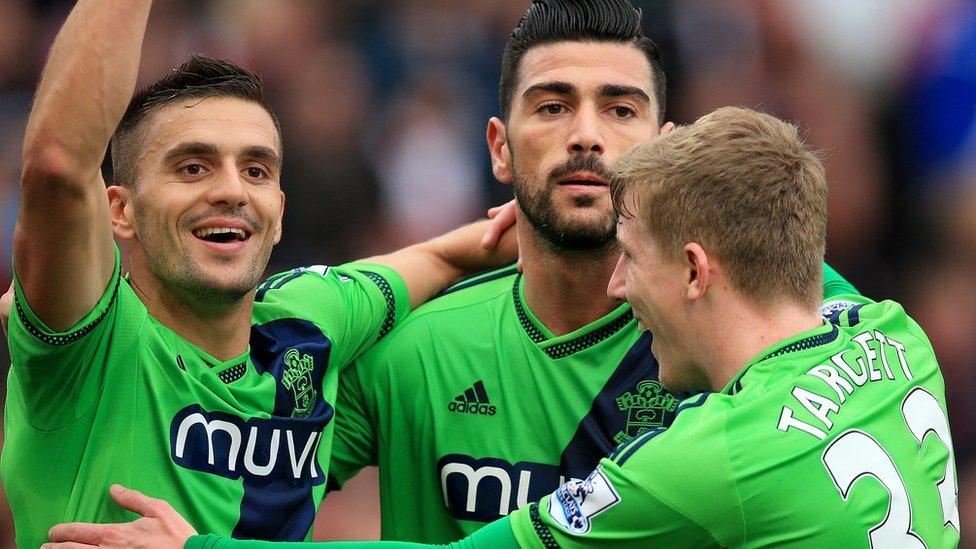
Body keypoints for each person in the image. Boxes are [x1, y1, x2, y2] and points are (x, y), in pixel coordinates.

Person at [50, 106, 960, 549]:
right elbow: (777, 230)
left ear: (694, 268)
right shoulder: (892, 336)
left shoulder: (711, 457)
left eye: (631, 255)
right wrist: (694, 169)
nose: (616, 282)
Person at [327, 0, 854, 542]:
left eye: (621, 110)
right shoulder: (412, 353)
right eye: (553, 107)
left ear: (667, 152)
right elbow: (246, 467)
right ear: (500, 148)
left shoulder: (732, 349)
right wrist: (434, 258)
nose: (585, 135)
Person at [2, 0, 515, 547]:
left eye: (256, 169)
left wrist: (542, 218)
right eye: (192, 167)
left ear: (279, 213)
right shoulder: (88, 340)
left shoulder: (313, 316)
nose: (232, 191)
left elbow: (447, 256)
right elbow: (58, 163)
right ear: (120, 211)